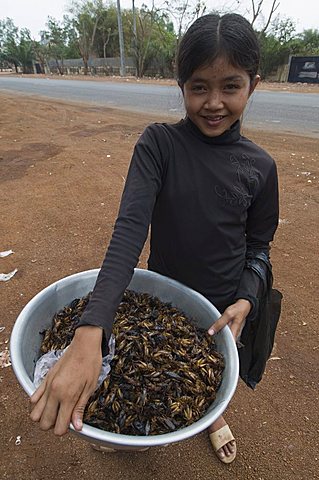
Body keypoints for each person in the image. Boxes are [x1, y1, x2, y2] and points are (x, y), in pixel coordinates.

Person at [30, 13, 280, 464]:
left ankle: (216, 417)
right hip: (165, 300)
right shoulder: (159, 145)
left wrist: (246, 298)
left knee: (210, 377)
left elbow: (259, 247)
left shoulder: (261, 168)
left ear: (253, 85)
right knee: (149, 387)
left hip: (224, 307)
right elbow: (128, 234)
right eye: (199, 86)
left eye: (231, 86)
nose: (214, 102)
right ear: (180, 84)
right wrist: (91, 329)